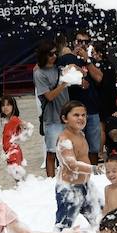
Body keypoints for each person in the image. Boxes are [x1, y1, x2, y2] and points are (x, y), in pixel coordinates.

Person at [57, 31, 105, 163]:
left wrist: (87, 60)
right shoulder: (66, 58)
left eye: (86, 42)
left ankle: (93, 171)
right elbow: (58, 76)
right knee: (74, 147)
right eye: (79, 41)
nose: (82, 44)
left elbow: (99, 78)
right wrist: (77, 79)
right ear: (74, 42)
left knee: (93, 148)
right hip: (73, 110)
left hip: (92, 109)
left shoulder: (91, 60)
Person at [54, 102, 97, 230]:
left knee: (99, 220)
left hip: (85, 185)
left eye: (83, 115)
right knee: (63, 227)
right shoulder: (64, 139)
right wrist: (94, 169)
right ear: (65, 118)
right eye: (76, 115)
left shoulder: (81, 134)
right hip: (69, 188)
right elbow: (72, 165)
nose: (81, 118)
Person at [33, 41, 70, 178]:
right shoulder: (39, 73)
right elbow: (49, 96)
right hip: (52, 118)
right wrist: (63, 84)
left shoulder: (59, 69)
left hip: (67, 117)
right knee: (52, 152)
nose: (54, 56)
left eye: (55, 53)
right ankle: (50, 181)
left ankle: (67, 178)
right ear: (44, 55)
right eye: (51, 54)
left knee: (67, 151)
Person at [0, 95, 30, 183]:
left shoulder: (14, 119)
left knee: (17, 176)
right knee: (16, 175)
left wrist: (23, 132)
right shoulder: (7, 120)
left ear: (13, 106)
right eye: (3, 105)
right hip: (10, 152)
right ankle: (22, 188)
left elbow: (26, 125)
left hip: (13, 152)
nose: (5, 107)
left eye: (8, 105)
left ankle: (23, 189)